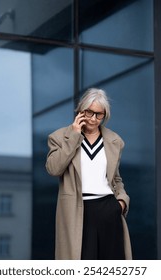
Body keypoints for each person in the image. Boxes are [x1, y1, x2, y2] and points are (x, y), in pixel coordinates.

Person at [45, 88, 132, 260]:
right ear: (80, 110)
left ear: (105, 115)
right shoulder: (60, 137)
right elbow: (54, 169)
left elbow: (115, 178)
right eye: (89, 112)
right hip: (77, 210)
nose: (93, 119)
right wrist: (74, 135)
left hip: (109, 208)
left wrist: (121, 202)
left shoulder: (115, 141)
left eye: (99, 114)